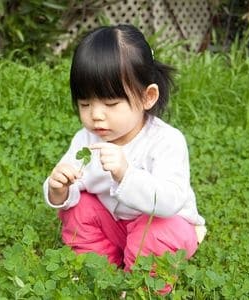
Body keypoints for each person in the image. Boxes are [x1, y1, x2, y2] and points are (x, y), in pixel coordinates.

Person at [43, 24, 206, 273]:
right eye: (85, 103)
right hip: (115, 225)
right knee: (78, 209)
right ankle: (98, 267)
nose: (96, 115)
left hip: (162, 226)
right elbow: (69, 189)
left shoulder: (167, 141)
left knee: (159, 231)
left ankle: (139, 281)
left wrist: (126, 174)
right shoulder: (85, 139)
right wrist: (59, 190)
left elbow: (170, 201)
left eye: (111, 103)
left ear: (147, 97)